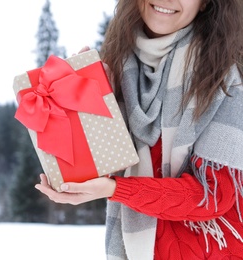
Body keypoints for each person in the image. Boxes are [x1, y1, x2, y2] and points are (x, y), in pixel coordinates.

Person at [35, 0, 243, 259]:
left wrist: (115, 189)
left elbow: (213, 196)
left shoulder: (226, 82)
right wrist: (78, 106)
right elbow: (107, 163)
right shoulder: (119, 69)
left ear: (204, 4)